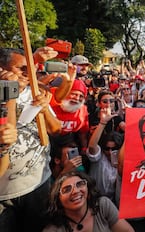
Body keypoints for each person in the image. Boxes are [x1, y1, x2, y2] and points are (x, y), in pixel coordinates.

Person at [0, 47, 62, 232]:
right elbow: (7, 134)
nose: (29, 74)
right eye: (22, 69)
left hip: (37, 184)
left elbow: (56, 129)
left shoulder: (34, 91)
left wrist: (43, 111)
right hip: (3, 194)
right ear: (2, 69)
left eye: (31, 68)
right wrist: (9, 92)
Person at [43, 171, 134, 232]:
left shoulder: (103, 205)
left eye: (80, 184)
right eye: (67, 189)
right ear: (57, 200)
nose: (75, 191)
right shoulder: (53, 230)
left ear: (88, 189)